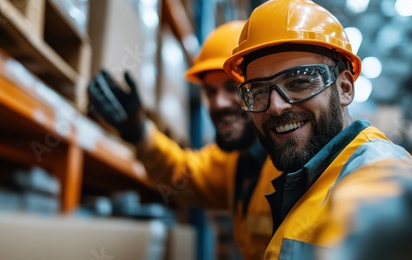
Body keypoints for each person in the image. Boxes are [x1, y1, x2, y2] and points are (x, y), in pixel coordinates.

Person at [223, 0, 412, 259]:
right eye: (259, 91)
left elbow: (390, 191)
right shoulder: (304, 181)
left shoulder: (376, 164)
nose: (276, 107)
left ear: (344, 89)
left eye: (299, 82)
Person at [87, 21, 281, 260]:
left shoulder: (291, 167)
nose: (219, 103)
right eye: (211, 92)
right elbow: (182, 172)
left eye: (232, 88)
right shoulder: (235, 163)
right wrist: (138, 131)